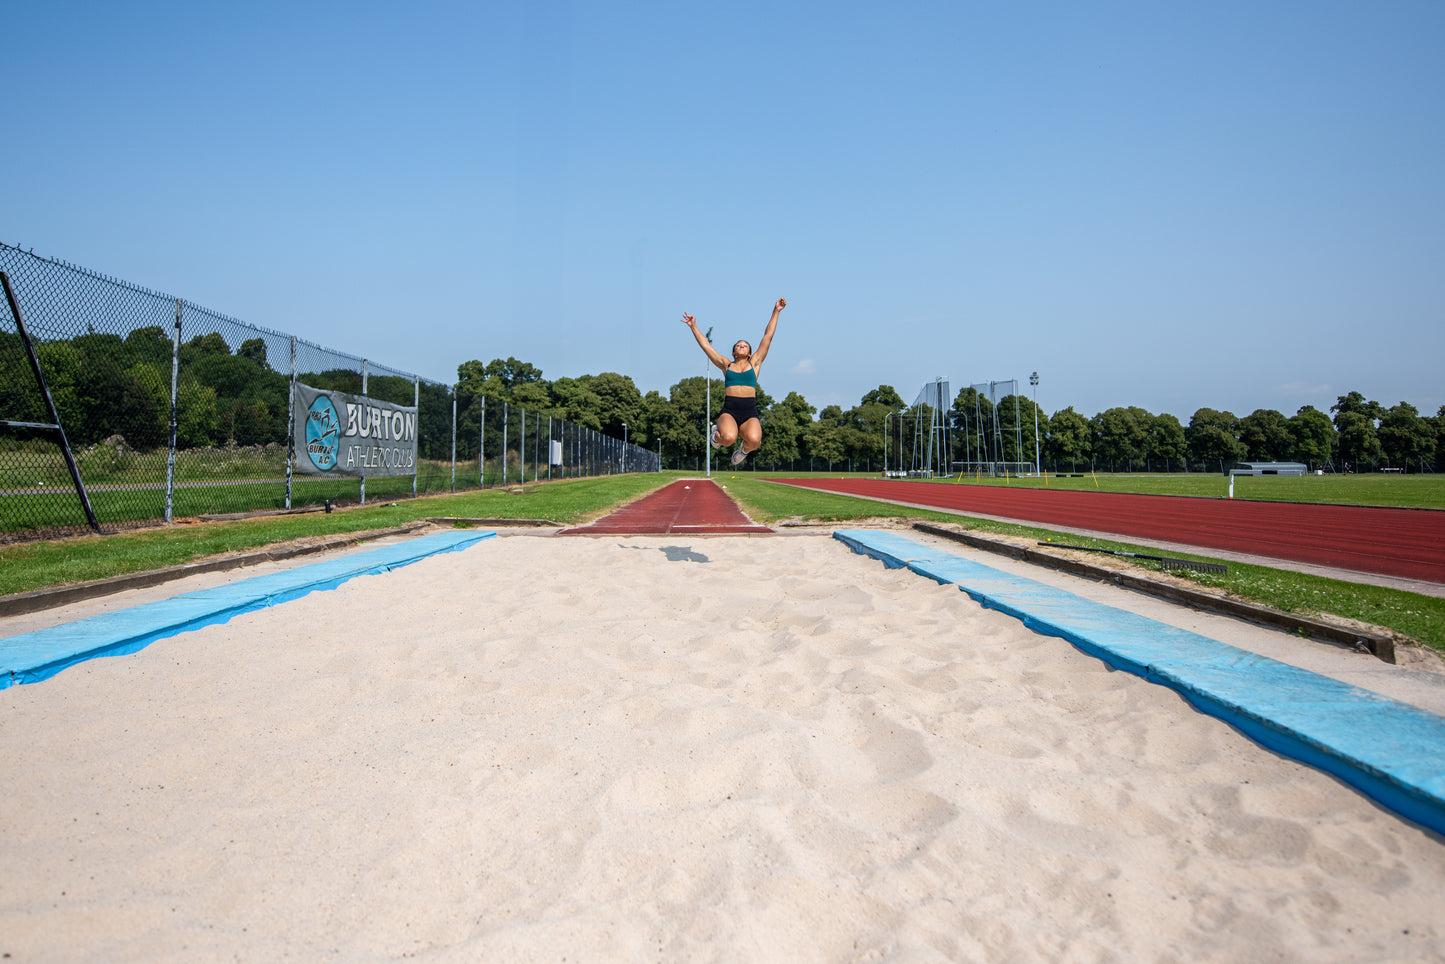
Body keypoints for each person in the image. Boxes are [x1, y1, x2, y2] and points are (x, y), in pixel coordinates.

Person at [681, 297, 786, 466]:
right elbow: (707, 347)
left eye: (745, 345)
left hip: (749, 412)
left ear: (750, 353)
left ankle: (743, 451)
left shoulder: (755, 363)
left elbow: (768, 335)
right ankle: (716, 433)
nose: (742, 345)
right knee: (728, 438)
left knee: (755, 441)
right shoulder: (726, 365)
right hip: (730, 411)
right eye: (738, 345)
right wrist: (693, 326)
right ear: (734, 352)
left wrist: (776, 311)